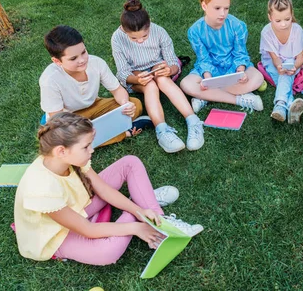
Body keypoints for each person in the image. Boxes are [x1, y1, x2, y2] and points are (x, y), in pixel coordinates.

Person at [14, 112, 203, 265]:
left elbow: (103, 190)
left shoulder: (69, 159)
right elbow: (87, 229)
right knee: (107, 253)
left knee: (130, 162)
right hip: (56, 234)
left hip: (79, 207)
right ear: (61, 151)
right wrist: (136, 226)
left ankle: (156, 217)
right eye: (86, 147)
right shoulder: (41, 188)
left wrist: (141, 211)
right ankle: (143, 206)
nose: (92, 151)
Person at [111, 0, 205, 153]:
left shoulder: (159, 31)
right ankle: (162, 131)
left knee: (162, 79)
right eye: (134, 38)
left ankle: (193, 121)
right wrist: (137, 78)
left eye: (144, 36)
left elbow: (172, 62)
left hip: (158, 66)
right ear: (123, 29)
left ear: (149, 24)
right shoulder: (117, 38)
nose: (140, 41)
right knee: (150, 85)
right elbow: (122, 72)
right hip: (134, 74)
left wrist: (169, 70)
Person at [39, 25, 149, 147]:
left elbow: (117, 90)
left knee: (136, 105)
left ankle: (89, 138)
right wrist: (81, 126)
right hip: (67, 118)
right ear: (57, 61)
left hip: (93, 105)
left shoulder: (96, 63)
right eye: (73, 58)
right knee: (63, 139)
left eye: (83, 52)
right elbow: (57, 118)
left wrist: (125, 104)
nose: (82, 60)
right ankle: (125, 133)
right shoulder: (50, 79)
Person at [180, 0, 264, 114]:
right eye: (217, 8)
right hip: (211, 69)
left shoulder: (237, 26)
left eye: (226, 8)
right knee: (186, 84)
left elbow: (240, 53)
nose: (222, 13)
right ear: (204, 6)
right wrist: (208, 78)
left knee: (257, 78)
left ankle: (205, 97)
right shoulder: (195, 30)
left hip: (233, 66)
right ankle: (240, 99)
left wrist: (240, 71)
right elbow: (203, 59)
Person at [259, 0, 303, 123]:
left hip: (292, 61)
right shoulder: (266, 32)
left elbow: (300, 59)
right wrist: (279, 66)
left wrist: (295, 67)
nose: (283, 24)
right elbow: (274, 58)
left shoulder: (297, 31)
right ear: (270, 17)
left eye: (287, 19)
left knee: (286, 74)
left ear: (292, 14)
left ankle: (280, 105)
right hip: (273, 62)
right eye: (278, 20)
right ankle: (290, 102)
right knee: (283, 75)